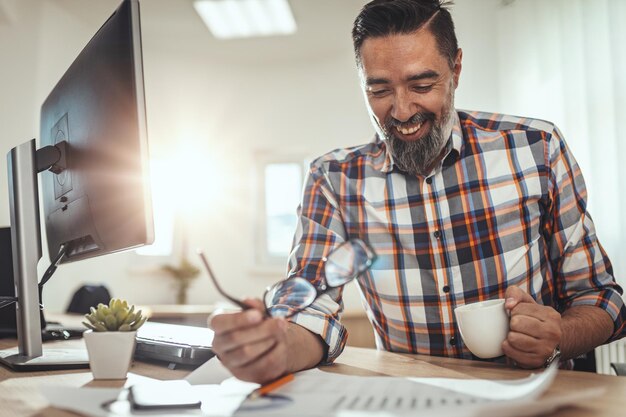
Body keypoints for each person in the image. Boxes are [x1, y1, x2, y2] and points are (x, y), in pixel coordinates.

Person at [209, 0, 626, 383]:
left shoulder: (537, 148)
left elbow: (602, 300)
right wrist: (275, 347)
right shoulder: (334, 180)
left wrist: (559, 333)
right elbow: (309, 306)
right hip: (413, 402)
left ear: (456, 69)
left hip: (541, 397)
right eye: (379, 90)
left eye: (422, 85)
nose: (403, 111)